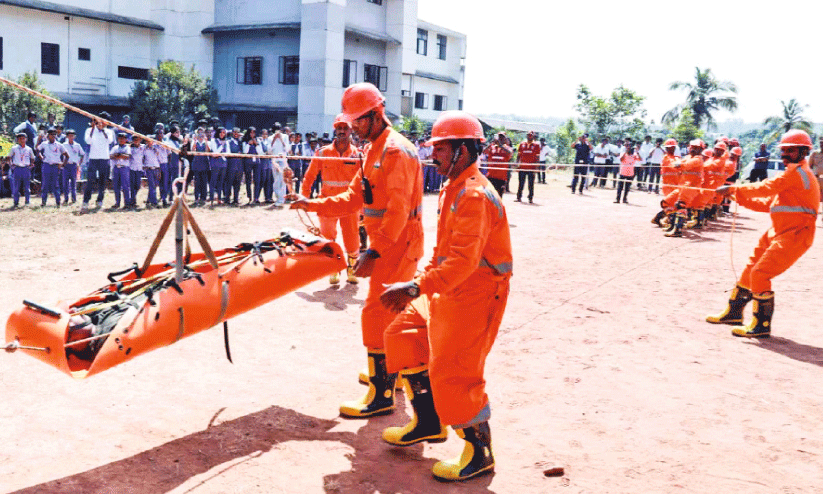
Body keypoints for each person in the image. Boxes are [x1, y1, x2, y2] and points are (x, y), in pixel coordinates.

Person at [379, 111, 511, 482]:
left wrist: (414, 287)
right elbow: (445, 255)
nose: (432, 154)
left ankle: (479, 452)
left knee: (455, 371)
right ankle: (428, 421)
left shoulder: (474, 195)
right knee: (402, 333)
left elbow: (464, 262)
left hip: (475, 292)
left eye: (440, 148)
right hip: (447, 285)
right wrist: (421, 283)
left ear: (463, 150)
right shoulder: (453, 186)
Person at [290, 82, 424, 419]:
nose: (353, 128)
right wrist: (311, 203)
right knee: (391, 313)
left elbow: (398, 211)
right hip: (390, 245)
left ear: (376, 114)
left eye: (358, 121)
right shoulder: (373, 151)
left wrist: (373, 252)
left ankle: (381, 395)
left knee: (377, 312)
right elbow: (353, 198)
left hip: (397, 246)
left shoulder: (395, 151)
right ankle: (391, 374)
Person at [710, 130, 819, 337]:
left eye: (791, 150)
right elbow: (766, 204)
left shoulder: (797, 174)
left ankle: (761, 325)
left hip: (796, 234)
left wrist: (734, 189)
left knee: (760, 274)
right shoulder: (790, 175)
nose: (785, 154)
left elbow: (765, 187)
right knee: (749, 270)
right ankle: (733, 313)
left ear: (804, 152)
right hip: (778, 231)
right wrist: (736, 197)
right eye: (783, 150)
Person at [300, 114, 363, 284]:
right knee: (328, 237)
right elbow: (309, 177)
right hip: (327, 203)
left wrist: (364, 207)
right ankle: (333, 269)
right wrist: (304, 198)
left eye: (345, 128)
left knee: (352, 238)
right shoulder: (323, 152)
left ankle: (352, 269)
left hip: (350, 204)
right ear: (335, 130)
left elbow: (365, 181)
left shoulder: (358, 155)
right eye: (339, 128)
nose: (342, 131)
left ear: (351, 130)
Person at [664, 139, 705, 237]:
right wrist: (676, 163)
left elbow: (684, 165)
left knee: (681, 205)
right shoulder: (688, 157)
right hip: (682, 186)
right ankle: (672, 225)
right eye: (692, 147)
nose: (693, 149)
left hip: (691, 186)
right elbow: (675, 165)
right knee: (668, 201)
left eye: (696, 148)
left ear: (701, 150)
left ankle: (677, 230)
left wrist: (678, 164)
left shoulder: (698, 159)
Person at [82, 115, 114, 211]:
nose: (101, 123)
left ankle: (100, 200)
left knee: (103, 181)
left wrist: (102, 130)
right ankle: (85, 201)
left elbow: (109, 141)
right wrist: (93, 128)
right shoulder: (89, 130)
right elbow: (88, 141)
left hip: (104, 158)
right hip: (93, 158)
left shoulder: (109, 131)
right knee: (90, 180)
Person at [36, 128, 67, 207]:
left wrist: (63, 164)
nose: (53, 136)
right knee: (45, 184)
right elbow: (37, 149)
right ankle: (43, 202)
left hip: (55, 166)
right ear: (48, 135)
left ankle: (58, 202)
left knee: (55, 185)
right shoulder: (44, 144)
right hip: (46, 165)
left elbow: (66, 155)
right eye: (51, 134)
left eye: (54, 134)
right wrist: (40, 156)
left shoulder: (59, 145)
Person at [7, 132, 36, 207]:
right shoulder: (14, 148)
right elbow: (8, 157)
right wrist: (11, 165)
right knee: (16, 187)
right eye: (20, 139)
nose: (22, 140)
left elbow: (32, 158)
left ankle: (27, 202)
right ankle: (16, 202)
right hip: (17, 168)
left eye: (23, 138)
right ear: (17, 140)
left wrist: (31, 165)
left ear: (26, 139)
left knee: (27, 187)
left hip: (26, 168)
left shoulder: (29, 149)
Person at [482, 132, 513, 198]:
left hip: (501, 178)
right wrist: (491, 143)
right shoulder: (492, 147)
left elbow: (510, 153)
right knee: (489, 196)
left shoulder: (507, 148)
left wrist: (501, 146)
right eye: (499, 137)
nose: (500, 139)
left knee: (499, 197)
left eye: (502, 138)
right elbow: (483, 151)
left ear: (505, 139)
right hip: (491, 176)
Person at [61, 129, 85, 204]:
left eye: (72, 136)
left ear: (74, 136)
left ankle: (74, 198)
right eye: (69, 136)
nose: (71, 137)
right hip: (66, 165)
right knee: (65, 183)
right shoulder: (63, 145)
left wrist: (79, 163)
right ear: (67, 137)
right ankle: (66, 198)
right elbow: (60, 154)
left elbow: (82, 154)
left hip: (74, 165)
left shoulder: (77, 145)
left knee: (73, 183)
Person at [515, 131, 540, 203]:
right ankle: (519, 197)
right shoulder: (522, 144)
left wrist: (537, 167)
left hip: (531, 168)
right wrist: (517, 164)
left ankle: (530, 198)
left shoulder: (536, 145)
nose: (529, 136)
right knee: (521, 183)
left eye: (531, 135)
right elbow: (518, 155)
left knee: (531, 184)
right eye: (528, 135)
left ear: (533, 136)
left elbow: (537, 157)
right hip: (522, 167)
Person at [109, 132, 132, 209]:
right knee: (116, 186)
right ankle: (117, 203)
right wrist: (120, 155)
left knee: (125, 186)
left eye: (123, 138)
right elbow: (111, 156)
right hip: (116, 167)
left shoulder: (127, 147)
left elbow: (127, 156)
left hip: (124, 167)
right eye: (120, 138)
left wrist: (118, 155)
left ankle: (127, 203)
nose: (121, 140)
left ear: (126, 139)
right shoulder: (115, 147)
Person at [209, 127, 229, 204]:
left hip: (223, 164)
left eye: (224, 133)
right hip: (215, 163)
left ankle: (219, 198)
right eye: (221, 132)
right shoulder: (213, 140)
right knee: (213, 181)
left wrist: (222, 153)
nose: (222, 134)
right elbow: (215, 152)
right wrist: (221, 146)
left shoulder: (226, 141)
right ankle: (211, 198)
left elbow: (228, 152)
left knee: (221, 181)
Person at [128, 135, 145, 209]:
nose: (136, 141)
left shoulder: (143, 147)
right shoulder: (130, 148)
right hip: (132, 168)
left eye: (137, 140)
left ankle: (132, 199)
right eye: (134, 140)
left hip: (139, 169)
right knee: (132, 185)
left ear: (140, 140)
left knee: (137, 185)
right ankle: (133, 201)